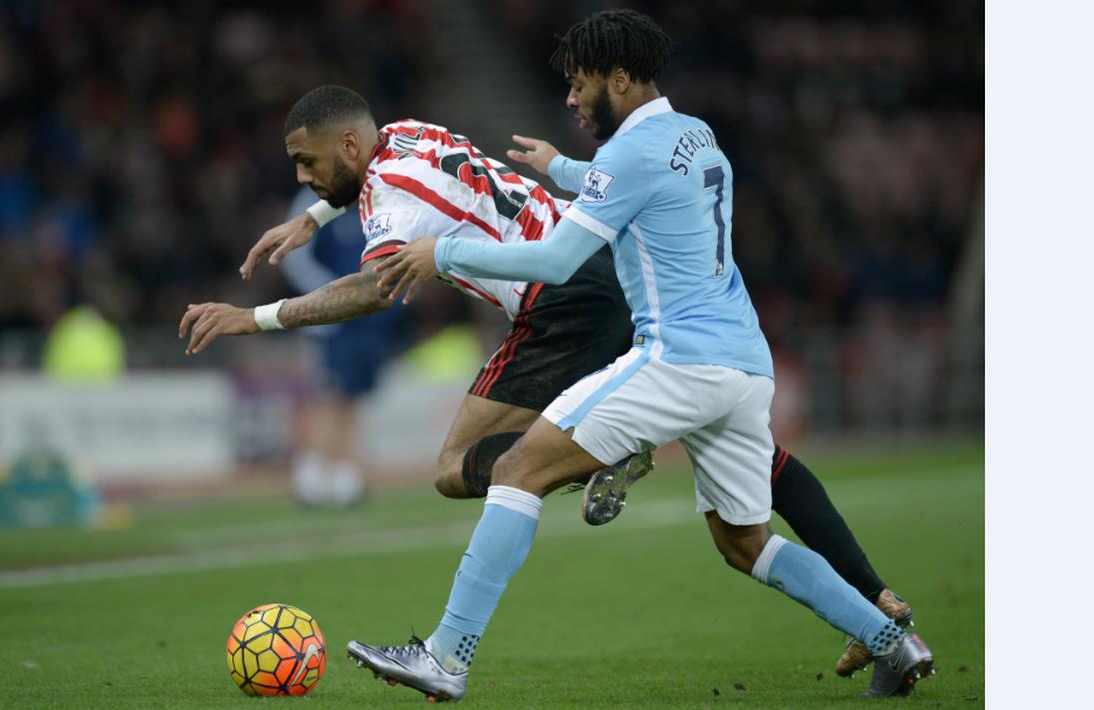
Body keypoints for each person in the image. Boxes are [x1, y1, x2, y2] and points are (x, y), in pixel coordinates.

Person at [178, 78, 918, 696]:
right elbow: (365, 173)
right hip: (615, 284)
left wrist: (256, 317)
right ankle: (884, 623)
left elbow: (376, 289)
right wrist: (313, 216)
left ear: (345, 147)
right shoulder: (403, 133)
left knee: (473, 469)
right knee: (744, 519)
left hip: (554, 301)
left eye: (307, 165)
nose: (302, 180)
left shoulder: (389, 203)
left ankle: (455, 643)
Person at [356, 9, 934, 700]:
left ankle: (445, 657)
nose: (569, 98)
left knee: (515, 468)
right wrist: (560, 166)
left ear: (620, 79)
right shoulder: (693, 132)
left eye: (579, 84)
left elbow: (557, 258)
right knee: (743, 543)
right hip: (744, 366)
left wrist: (440, 250)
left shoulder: (629, 154)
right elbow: (635, 182)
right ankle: (888, 641)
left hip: (676, 359)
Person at [279, 188, 406, 507]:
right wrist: (326, 300)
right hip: (335, 325)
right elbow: (295, 257)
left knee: (355, 398)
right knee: (330, 397)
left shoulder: (377, 195)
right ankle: (310, 478)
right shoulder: (314, 201)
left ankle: (345, 480)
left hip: (371, 322)